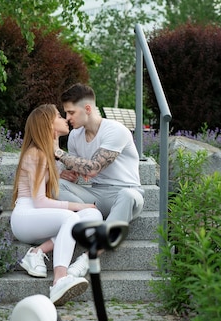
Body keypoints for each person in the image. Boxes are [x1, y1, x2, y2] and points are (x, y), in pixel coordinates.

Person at [10, 104, 103, 306]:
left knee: (94, 217)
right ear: (49, 125)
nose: (65, 119)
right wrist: (81, 206)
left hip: (41, 217)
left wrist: (60, 175)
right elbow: (39, 200)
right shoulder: (37, 153)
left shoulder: (52, 153)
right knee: (73, 216)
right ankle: (60, 279)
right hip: (26, 216)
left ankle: (39, 251)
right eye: (59, 116)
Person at [55, 83, 145, 227]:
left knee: (127, 196)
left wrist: (58, 152)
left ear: (88, 109)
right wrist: (69, 175)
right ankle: (91, 216)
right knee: (56, 185)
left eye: (71, 112)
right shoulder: (74, 136)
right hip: (97, 194)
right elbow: (78, 172)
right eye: (66, 113)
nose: (67, 118)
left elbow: (93, 168)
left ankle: (99, 243)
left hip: (126, 193)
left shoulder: (115, 130)